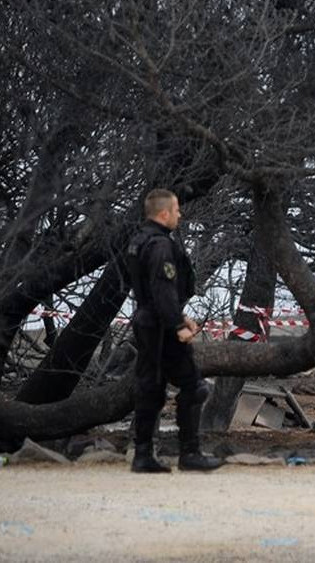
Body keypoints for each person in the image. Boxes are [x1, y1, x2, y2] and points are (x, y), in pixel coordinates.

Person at [126, 189, 223, 473]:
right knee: (193, 386)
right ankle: (189, 453)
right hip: (160, 327)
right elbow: (162, 290)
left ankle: (143, 454)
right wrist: (178, 325)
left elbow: (152, 293)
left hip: (149, 320)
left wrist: (180, 316)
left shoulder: (138, 240)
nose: (180, 215)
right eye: (177, 210)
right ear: (164, 213)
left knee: (151, 387)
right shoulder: (159, 245)